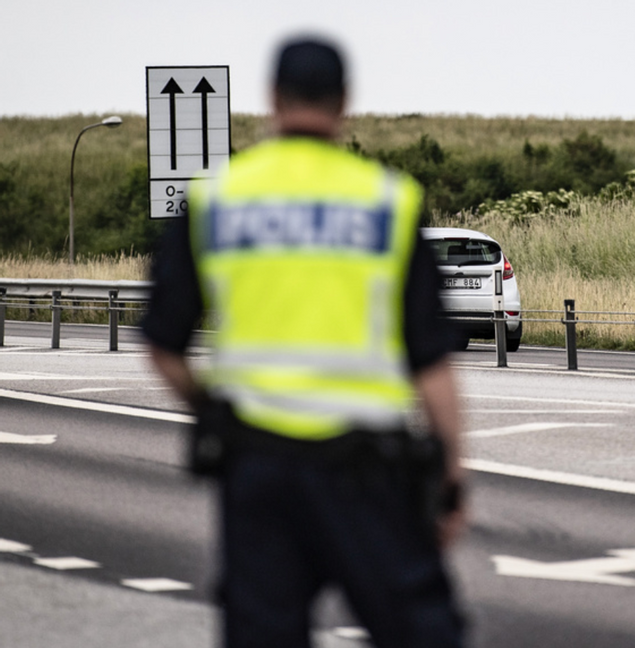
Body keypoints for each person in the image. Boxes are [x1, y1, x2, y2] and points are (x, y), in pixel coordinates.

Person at [142, 35, 467, 648]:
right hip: (365, 471)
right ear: (345, 101)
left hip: (257, 467)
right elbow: (433, 365)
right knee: (425, 633)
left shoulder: (215, 199)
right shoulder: (389, 202)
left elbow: (163, 346)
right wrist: (450, 478)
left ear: (272, 99)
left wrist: (214, 412)